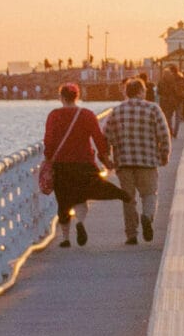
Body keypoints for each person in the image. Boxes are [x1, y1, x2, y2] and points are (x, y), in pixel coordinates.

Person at [44, 83, 124, 248]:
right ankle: (80, 222)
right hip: (84, 163)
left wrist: (48, 157)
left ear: (61, 97)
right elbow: (98, 138)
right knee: (81, 196)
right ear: (77, 96)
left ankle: (65, 238)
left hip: (61, 164)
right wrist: (105, 158)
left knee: (63, 200)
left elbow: (49, 140)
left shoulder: (54, 115)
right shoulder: (87, 114)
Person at [102, 75, 172, 245]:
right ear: (142, 92)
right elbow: (164, 134)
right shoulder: (153, 109)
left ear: (126, 92)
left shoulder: (116, 111)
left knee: (128, 199)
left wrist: (106, 159)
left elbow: (105, 137)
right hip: (148, 161)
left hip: (124, 162)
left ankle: (131, 234)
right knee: (149, 195)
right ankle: (147, 216)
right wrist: (164, 155)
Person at [158, 67, 184, 138]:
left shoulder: (167, 79)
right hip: (179, 100)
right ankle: (176, 132)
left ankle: (171, 131)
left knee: (169, 117)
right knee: (178, 117)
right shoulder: (181, 78)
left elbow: (160, 91)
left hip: (170, 101)